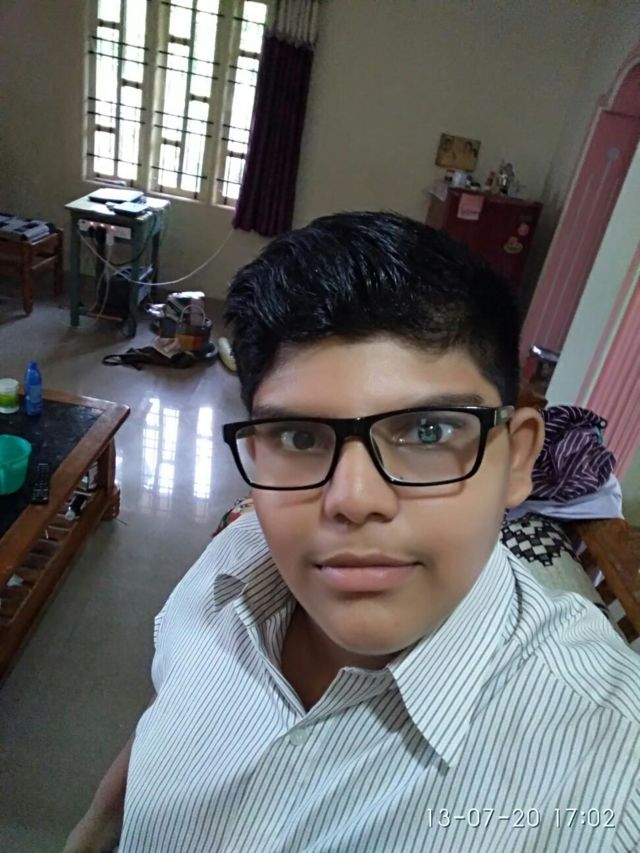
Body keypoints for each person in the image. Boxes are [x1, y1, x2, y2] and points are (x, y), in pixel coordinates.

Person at [65, 212, 640, 853]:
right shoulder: (226, 567)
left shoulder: (613, 784)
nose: (354, 500)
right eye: (298, 437)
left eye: (427, 431)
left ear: (516, 459)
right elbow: (167, 712)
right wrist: (93, 829)